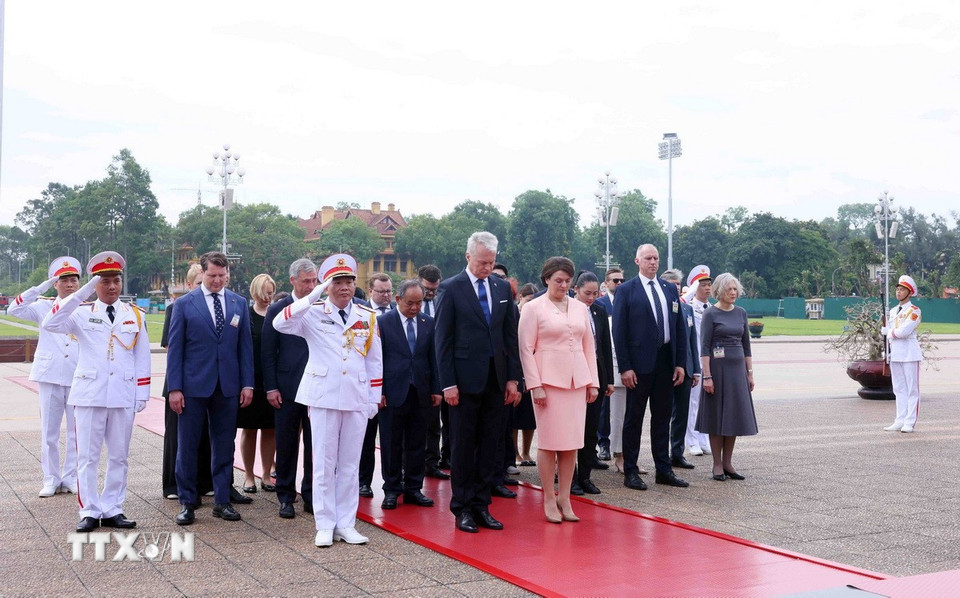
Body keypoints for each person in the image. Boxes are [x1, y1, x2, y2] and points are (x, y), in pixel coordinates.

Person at [272, 253, 382, 547]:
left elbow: (374, 362)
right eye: (337, 281)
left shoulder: (367, 317)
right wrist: (313, 296)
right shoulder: (313, 313)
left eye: (348, 281)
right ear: (327, 285)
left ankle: (346, 523)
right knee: (322, 462)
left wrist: (373, 399)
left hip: (356, 397)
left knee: (349, 465)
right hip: (322, 396)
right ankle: (324, 523)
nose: (344, 287)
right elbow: (279, 324)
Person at [42, 251, 150, 533]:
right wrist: (83, 292)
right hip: (90, 394)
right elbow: (50, 323)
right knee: (87, 457)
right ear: (94, 285)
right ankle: (89, 509)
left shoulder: (134, 315)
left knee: (119, 455)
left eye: (116, 280)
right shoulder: (79, 312)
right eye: (104, 281)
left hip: (122, 394)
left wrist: (142, 393)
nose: (112, 286)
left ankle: (113, 507)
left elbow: (142, 356)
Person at [434, 231, 522, 534]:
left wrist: (513, 378)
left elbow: (510, 336)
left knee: (490, 446)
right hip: (463, 382)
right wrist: (447, 384)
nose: (487, 267)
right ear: (468, 256)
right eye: (483, 262)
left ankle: (483, 505)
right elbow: (442, 340)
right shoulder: (451, 288)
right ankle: (462, 508)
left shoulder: (501, 287)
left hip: (496, 380)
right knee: (462, 446)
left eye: (492, 262)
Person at [168, 251, 255, 525]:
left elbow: (245, 348)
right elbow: (175, 350)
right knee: (188, 445)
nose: (217, 280)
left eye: (222, 275)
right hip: (193, 386)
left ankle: (222, 501)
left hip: (227, 387)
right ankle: (187, 501)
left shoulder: (239, 303)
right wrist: (175, 388)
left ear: (227, 274)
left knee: (224, 445)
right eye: (212, 275)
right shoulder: (184, 304)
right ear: (202, 274)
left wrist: (247, 383)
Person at [518, 257, 599, 522]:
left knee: (571, 444)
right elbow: (525, 350)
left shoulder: (579, 308)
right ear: (547, 280)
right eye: (558, 281)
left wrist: (593, 382)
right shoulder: (532, 308)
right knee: (551, 442)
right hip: (548, 383)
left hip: (577, 381)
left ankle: (565, 496)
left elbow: (589, 346)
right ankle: (548, 498)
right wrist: (535, 385)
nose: (563, 286)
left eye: (567, 281)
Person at [612, 244, 689, 491]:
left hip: (666, 362)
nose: (653, 262)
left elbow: (678, 328)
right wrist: (625, 367)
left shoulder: (668, 289)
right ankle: (631, 471)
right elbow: (619, 331)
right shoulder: (627, 290)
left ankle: (663, 470)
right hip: (638, 365)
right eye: (648, 258)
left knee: (662, 418)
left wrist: (680, 363)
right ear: (637, 261)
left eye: (656, 258)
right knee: (633, 419)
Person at [9, 256, 81, 497]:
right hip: (50, 374)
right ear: (55, 283)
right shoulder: (43, 306)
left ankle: (71, 477)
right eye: (64, 280)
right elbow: (14, 308)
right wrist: (39, 288)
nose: (70, 284)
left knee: (76, 432)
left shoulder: (85, 308)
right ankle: (50, 478)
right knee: (49, 432)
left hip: (77, 375)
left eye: (74, 280)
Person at [377, 279, 442, 510]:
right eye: (410, 303)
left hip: (421, 391)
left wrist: (436, 389)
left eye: (419, 303)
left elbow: (434, 359)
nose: (415, 308)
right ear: (398, 299)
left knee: (417, 442)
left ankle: (414, 488)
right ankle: (392, 489)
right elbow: (377, 360)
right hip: (393, 391)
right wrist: (379, 391)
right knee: (391, 442)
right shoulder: (383, 322)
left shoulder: (428, 323)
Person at [262, 259, 317, 519]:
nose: (311, 286)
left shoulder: (320, 307)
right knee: (286, 444)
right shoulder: (278, 309)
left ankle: (311, 495)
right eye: (306, 281)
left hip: (318, 387)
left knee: (314, 445)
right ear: (293, 280)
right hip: (287, 388)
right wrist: (271, 387)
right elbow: (268, 352)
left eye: (314, 280)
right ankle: (285, 495)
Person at [697, 272, 758, 481]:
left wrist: (749, 373)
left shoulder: (741, 313)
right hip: (717, 370)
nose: (733, 293)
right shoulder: (710, 314)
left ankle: (728, 462)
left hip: (737, 371)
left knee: (733, 416)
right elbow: (704, 346)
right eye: (729, 289)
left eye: (735, 289)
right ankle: (716, 464)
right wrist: (707, 376)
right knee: (716, 416)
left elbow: (746, 345)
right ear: (720, 291)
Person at [159, 264, 213, 500]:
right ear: (189, 285)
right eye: (199, 283)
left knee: (203, 435)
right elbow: (172, 349)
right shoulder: (177, 308)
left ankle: (203, 482)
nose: (204, 287)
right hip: (179, 380)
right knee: (176, 436)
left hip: (204, 380)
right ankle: (173, 484)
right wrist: (176, 386)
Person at [570, 271, 614, 496]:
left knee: (590, 428)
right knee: (572, 429)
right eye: (587, 293)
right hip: (573, 372)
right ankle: (571, 478)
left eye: (595, 293)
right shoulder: (568, 309)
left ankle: (585, 476)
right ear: (575, 289)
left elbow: (605, 347)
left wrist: (608, 380)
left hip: (596, 372)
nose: (591, 297)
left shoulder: (599, 310)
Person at [239, 273, 277, 493]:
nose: (268, 297)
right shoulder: (246, 315)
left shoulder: (276, 314)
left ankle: (266, 475)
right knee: (249, 429)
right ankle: (248, 475)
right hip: (250, 380)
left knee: (270, 429)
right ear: (255, 292)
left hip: (271, 381)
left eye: (271, 293)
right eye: (264, 293)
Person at [660, 269, 701, 470]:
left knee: (682, 414)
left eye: (678, 284)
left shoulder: (687, 309)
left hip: (685, 368)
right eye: (672, 284)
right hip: (665, 369)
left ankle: (677, 453)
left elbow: (693, 343)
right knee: (663, 413)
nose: (676, 287)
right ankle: (661, 456)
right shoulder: (660, 308)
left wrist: (696, 370)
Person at [359, 273, 393, 498]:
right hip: (366, 387)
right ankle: (363, 482)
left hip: (392, 387)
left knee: (391, 440)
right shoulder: (360, 314)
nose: (386, 295)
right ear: (370, 291)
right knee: (365, 439)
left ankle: (392, 483)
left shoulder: (395, 315)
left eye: (389, 291)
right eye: (381, 291)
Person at [882, 274, 923, 433]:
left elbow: (904, 331)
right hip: (896, 353)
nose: (898, 292)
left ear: (909, 292)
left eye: (902, 290)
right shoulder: (892, 310)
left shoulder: (914, 311)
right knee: (898, 389)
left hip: (910, 353)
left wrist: (889, 332)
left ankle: (909, 421)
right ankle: (899, 420)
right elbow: (893, 334)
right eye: (898, 289)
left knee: (912, 389)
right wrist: (887, 350)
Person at [595, 267, 624, 462]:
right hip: (605, 361)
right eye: (615, 280)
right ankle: (603, 443)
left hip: (622, 361)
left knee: (620, 410)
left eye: (622, 280)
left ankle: (618, 446)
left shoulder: (626, 302)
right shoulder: (600, 304)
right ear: (606, 284)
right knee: (604, 408)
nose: (619, 283)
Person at [683, 266, 713, 457]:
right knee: (693, 403)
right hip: (695, 361)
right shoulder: (688, 307)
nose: (708, 288)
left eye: (709, 284)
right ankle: (691, 440)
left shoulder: (712, 308)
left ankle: (704, 438)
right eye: (703, 285)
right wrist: (690, 293)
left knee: (706, 403)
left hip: (710, 362)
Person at [513, 283, 539, 469]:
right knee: (515, 416)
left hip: (533, 370)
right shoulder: (513, 314)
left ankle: (526, 451)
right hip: (516, 369)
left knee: (530, 417)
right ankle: (514, 452)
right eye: (528, 300)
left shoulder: (536, 316)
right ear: (521, 297)